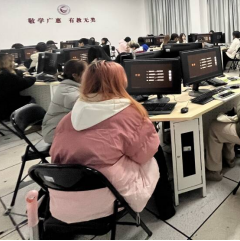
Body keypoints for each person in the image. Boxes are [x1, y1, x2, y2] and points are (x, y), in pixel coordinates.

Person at [49, 61, 161, 224]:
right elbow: (145, 155)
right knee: (157, 156)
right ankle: (166, 209)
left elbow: (56, 157)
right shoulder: (130, 115)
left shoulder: (67, 119)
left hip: (65, 203)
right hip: (107, 199)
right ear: (120, 82)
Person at [41, 60, 87, 144]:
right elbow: (87, 106)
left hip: (61, 127)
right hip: (54, 132)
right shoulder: (67, 92)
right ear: (75, 75)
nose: (89, 76)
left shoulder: (70, 86)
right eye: (86, 73)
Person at [0, 53, 36, 120]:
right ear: (7, 63)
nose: (14, 63)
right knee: (30, 99)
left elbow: (16, 77)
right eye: (12, 61)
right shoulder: (6, 76)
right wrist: (32, 77)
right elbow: (25, 83)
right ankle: (30, 122)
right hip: (6, 109)